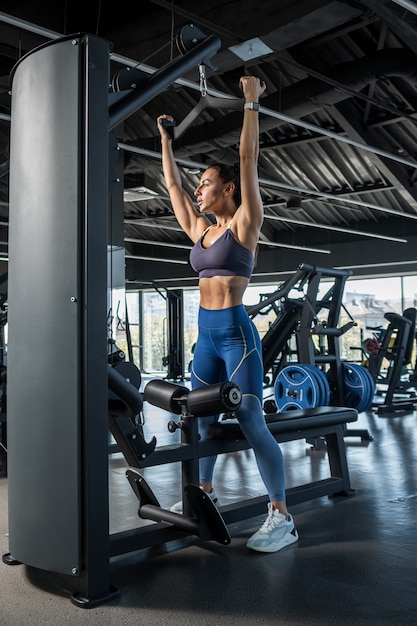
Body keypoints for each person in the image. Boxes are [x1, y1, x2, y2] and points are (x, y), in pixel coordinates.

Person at [156, 76, 298, 553]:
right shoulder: (199, 230)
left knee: (252, 423)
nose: (198, 191)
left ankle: (281, 516)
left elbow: (247, 159)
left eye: (207, 184)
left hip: (236, 338)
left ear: (228, 189)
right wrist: (165, 141)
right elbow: (172, 185)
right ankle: (203, 498)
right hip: (205, 339)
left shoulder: (245, 222)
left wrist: (251, 104)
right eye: (199, 186)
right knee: (198, 421)